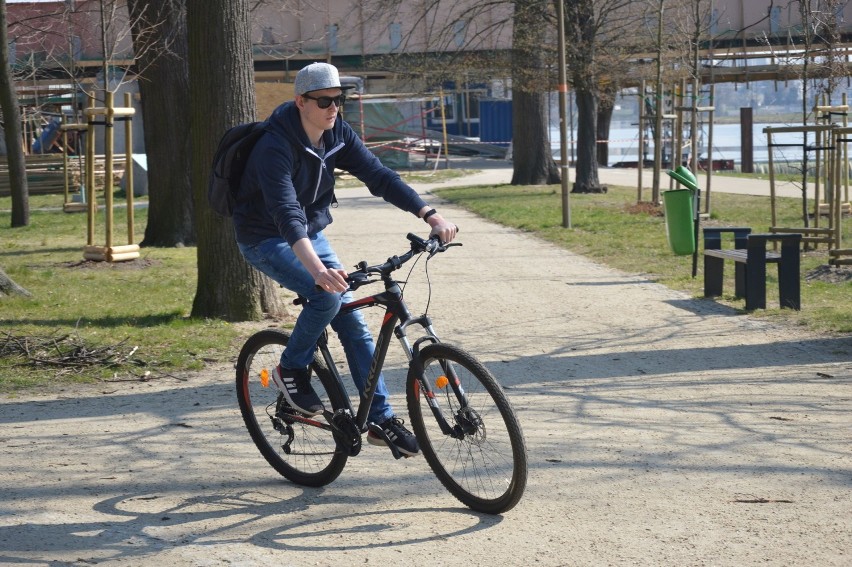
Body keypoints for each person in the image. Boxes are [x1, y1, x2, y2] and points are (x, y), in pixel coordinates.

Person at [232, 62, 457, 457]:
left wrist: (429, 214)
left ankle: (381, 420)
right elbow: (286, 215)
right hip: (265, 238)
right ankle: (291, 368)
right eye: (324, 101)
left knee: (354, 323)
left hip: (310, 233)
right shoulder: (274, 145)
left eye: (340, 100)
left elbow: (380, 176)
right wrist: (318, 271)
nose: (333, 108)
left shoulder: (336, 133)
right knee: (327, 296)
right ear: (301, 101)